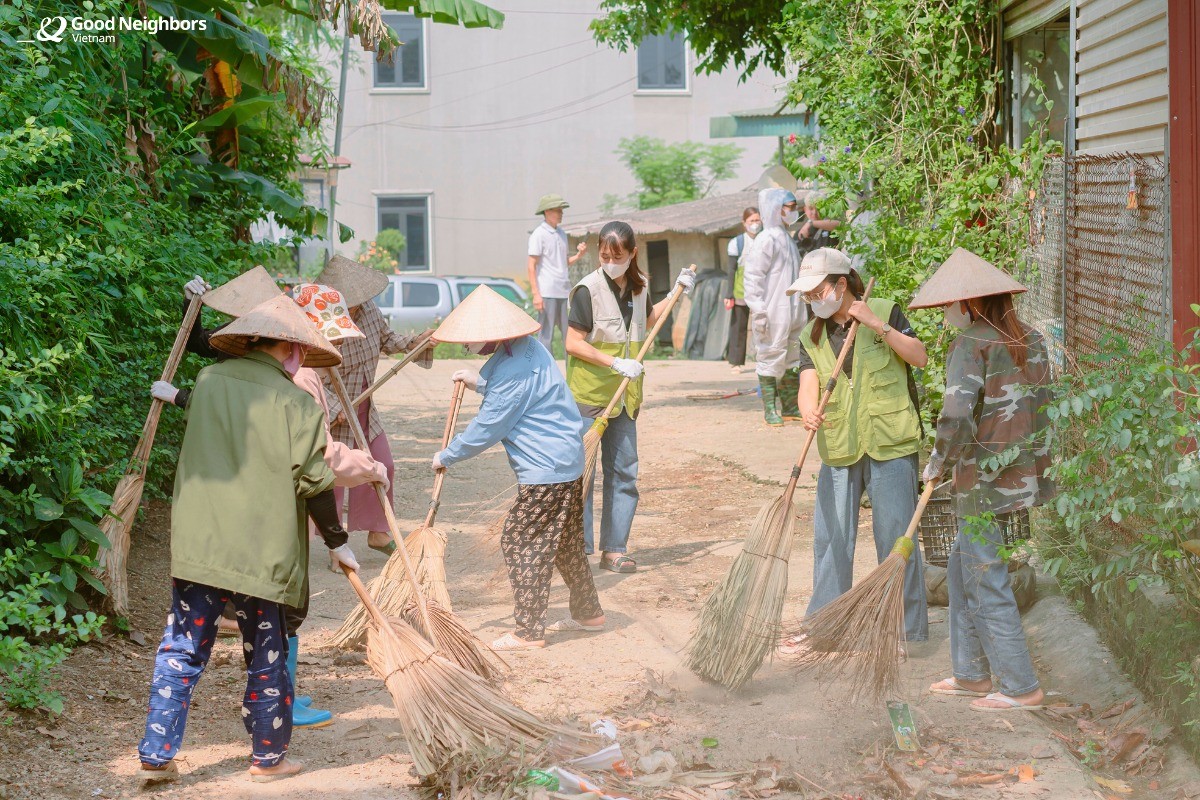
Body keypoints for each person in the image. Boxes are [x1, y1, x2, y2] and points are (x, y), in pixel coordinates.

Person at [137, 295, 360, 786]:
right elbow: (315, 481)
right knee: (266, 654)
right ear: (288, 348)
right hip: (263, 553)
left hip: (201, 546)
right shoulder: (297, 402)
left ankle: (156, 754)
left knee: (181, 648)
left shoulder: (209, 381)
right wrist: (337, 541)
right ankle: (268, 760)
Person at [158, 275, 387, 730]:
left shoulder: (269, 372)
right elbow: (316, 463)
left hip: (219, 530)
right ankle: (280, 710)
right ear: (299, 338)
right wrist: (366, 471)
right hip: (275, 517)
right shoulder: (296, 381)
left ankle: (165, 742)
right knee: (278, 620)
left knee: (203, 638)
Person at [913, 248, 1055, 712]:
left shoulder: (972, 343)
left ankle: (1020, 687)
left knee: (984, 577)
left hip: (980, 481)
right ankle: (971, 674)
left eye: (948, 307)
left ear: (970, 303)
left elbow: (956, 415)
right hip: (1021, 472)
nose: (946, 314)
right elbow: (1044, 409)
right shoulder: (1031, 339)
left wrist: (937, 462)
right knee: (960, 571)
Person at [429, 286, 605, 651]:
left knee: (519, 540)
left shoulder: (513, 366)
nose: (466, 346)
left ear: (493, 337)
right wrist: (479, 381)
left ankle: (528, 632)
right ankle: (589, 613)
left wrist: (447, 455)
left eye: (471, 341)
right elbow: (521, 391)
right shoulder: (527, 348)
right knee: (565, 543)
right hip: (565, 462)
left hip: (546, 470)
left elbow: (489, 427)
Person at [785, 248, 929, 648]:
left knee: (897, 538)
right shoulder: (810, 333)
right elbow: (807, 384)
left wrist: (877, 325)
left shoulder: (884, 308)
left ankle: (909, 632)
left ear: (841, 284)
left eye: (817, 291)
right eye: (807, 295)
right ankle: (826, 628)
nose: (813, 300)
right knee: (832, 538)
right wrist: (808, 412)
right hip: (840, 445)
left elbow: (919, 357)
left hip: (890, 443)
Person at [564, 221, 695, 573]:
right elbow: (572, 342)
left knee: (623, 473)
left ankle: (614, 549)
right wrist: (614, 362)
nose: (610, 262)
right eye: (604, 255)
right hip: (590, 396)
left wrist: (675, 293)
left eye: (617, 256)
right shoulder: (586, 290)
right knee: (583, 474)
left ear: (633, 253)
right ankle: (578, 550)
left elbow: (649, 320)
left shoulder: (640, 288)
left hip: (626, 398)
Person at [317, 255, 430, 558]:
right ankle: (335, 543)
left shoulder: (369, 311)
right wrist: (330, 407)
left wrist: (416, 342)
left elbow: (387, 339)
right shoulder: (321, 320)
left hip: (363, 404)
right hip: (334, 411)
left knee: (383, 466)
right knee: (335, 477)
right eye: (349, 301)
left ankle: (379, 533)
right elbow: (306, 370)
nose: (355, 305)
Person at [742, 188, 806, 427]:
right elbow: (753, 278)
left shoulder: (785, 237)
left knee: (792, 357)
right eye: (790, 207)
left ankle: (790, 407)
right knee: (770, 355)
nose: (794, 211)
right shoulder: (766, 239)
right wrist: (758, 309)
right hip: (772, 311)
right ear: (776, 209)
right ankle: (770, 409)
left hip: (793, 309)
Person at [528, 193, 588, 354]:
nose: (561, 214)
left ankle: (572, 375)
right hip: (547, 291)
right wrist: (536, 294)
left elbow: (562, 262)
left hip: (564, 291)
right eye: (558, 210)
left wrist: (578, 255)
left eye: (562, 210)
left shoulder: (561, 234)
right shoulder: (538, 234)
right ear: (547, 212)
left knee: (570, 335)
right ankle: (546, 374)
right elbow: (531, 265)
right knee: (545, 335)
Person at [725, 207, 761, 373]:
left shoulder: (765, 239)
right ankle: (736, 362)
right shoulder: (737, 243)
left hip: (762, 291)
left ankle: (763, 360)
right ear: (744, 223)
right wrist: (729, 294)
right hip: (741, 291)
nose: (755, 224)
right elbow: (731, 270)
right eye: (751, 221)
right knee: (738, 327)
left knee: (762, 326)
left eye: (757, 220)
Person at [794, 189, 841, 261]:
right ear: (805, 209)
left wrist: (811, 223)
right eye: (811, 208)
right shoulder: (800, 232)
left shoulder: (830, 226)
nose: (815, 212)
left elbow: (840, 226)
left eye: (819, 208)